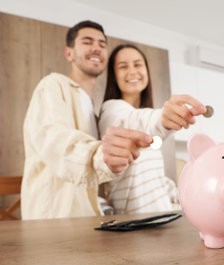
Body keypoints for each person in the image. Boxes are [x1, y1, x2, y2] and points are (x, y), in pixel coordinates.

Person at [21, 21, 153, 220]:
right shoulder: (52, 86)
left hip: (90, 217)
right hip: (54, 219)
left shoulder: (93, 108)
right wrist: (100, 156)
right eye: (87, 42)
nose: (96, 48)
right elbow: (54, 140)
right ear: (69, 53)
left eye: (102, 44)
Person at [98, 44, 206, 214]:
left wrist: (186, 196)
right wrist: (162, 118)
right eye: (123, 66)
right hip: (134, 223)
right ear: (114, 76)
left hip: (162, 218)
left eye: (138, 64)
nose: (132, 72)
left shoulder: (145, 118)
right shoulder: (111, 110)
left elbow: (157, 180)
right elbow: (136, 122)